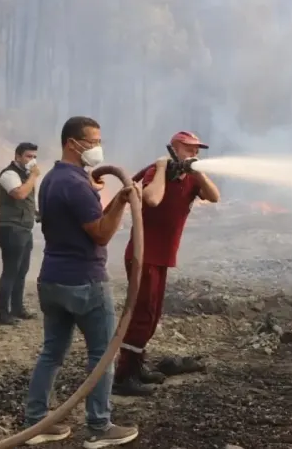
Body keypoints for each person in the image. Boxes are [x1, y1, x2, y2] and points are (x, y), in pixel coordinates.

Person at [23, 116, 140, 447]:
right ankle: (99, 427)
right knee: (102, 353)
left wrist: (97, 195)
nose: (98, 148)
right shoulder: (76, 186)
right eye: (93, 141)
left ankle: (36, 423)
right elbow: (101, 234)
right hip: (85, 282)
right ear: (72, 143)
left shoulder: (53, 180)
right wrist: (120, 201)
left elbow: (68, 214)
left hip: (52, 280)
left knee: (52, 353)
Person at [112, 131, 220, 396]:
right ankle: (124, 377)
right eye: (190, 149)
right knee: (140, 315)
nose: (195, 153)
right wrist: (161, 167)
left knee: (151, 315)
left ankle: (137, 367)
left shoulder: (193, 178)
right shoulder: (155, 172)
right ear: (175, 148)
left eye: (197, 150)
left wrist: (198, 172)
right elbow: (152, 199)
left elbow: (214, 196)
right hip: (142, 255)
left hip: (162, 257)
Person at [0, 142, 40, 325]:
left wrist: (37, 215)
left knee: (22, 271)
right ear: (18, 157)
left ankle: (17, 308)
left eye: (35, 157)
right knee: (10, 271)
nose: (33, 161)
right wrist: (34, 177)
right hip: (11, 228)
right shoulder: (9, 174)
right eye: (29, 156)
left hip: (24, 228)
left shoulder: (26, 176)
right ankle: (1, 313)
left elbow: (26, 202)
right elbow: (19, 194)